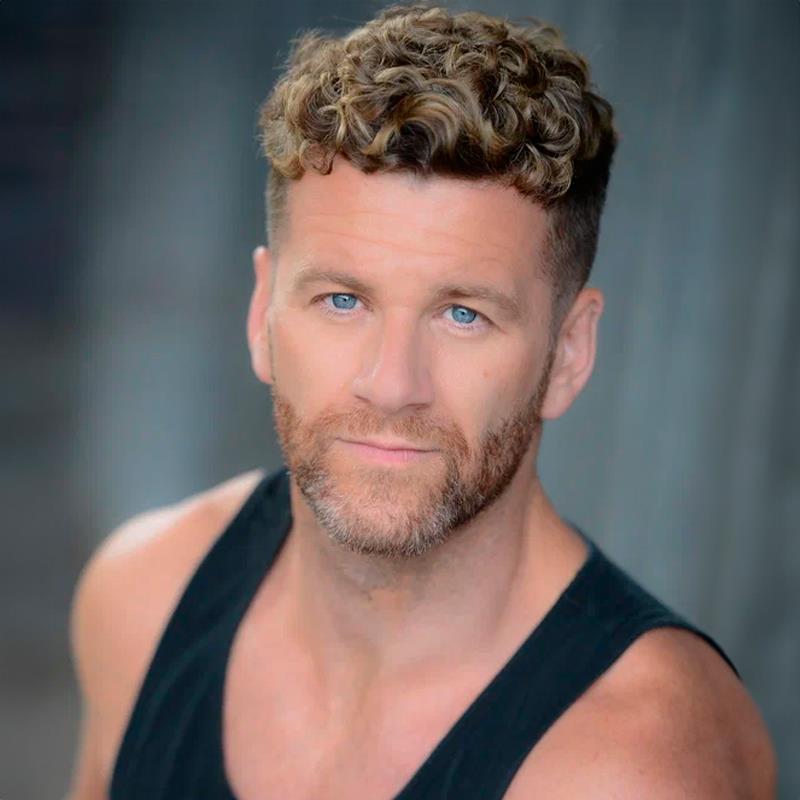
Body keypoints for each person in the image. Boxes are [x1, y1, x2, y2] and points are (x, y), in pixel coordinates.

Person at [66, 4, 777, 798]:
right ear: (263, 311)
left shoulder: (633, 767)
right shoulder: (143, 597)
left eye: (463, 315)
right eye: (342, 301)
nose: (392, 383)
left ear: (570, 352)